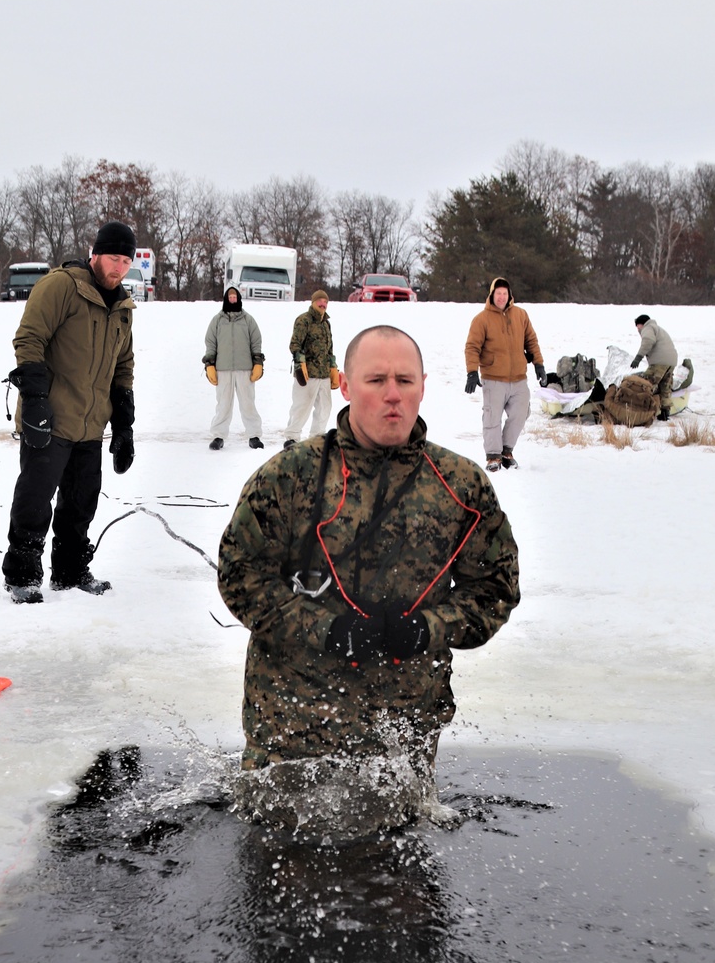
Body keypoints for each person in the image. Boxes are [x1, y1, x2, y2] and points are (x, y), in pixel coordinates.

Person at [218, 324, 520, 794]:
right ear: (345, 386)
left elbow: (496, 591)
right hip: (292, 734)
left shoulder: (460, 486)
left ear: (423, 386)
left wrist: (427, 629)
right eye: (376, 380)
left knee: (398, 862)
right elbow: (241, 577)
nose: (392, 395)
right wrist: (327, 631)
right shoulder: (291, 476)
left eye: (405, 380)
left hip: (403, 740)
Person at [1, 221, 136, 604]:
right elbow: (29, 338)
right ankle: (23, 576)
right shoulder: (61, 286)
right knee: (35, 497)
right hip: (53, 418)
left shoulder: (123, 308)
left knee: (81, 503)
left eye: (126, 261)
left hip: (90, 425)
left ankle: (70, 571)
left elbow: (122, 367)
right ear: (95, 254)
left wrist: (123, 427)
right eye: (113, 258)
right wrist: (37, 401)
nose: (119, 268)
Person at [464, 277, 546, 472]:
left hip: (519, 378)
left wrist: (539, 365)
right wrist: (472, 372)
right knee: (492, 417)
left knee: (521, 413)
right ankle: (493, 456)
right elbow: (472, 347)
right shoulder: (481, 319)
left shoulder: (521, 315)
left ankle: (507, 451)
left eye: (504, 293)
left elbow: (531, 341)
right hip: (493, 378)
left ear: (509, 295)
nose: (501, 297)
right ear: (492, 295)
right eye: (498, 293)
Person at [203, 286, 265, 451]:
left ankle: (254, 435)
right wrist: (210, 365)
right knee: (223, 404)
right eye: (229, 297)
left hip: (245, 368)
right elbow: (210, 343)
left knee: (248, 403)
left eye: (234, 297)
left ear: (238, 298)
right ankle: (218, 436)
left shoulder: (248, 320)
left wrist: (258, 362)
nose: (232, 299)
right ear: (225, 299)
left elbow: (256, 341)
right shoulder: (217, 320)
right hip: (223, 369)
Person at [281, 289, 340, 449]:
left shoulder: (326, 323)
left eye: (326, 302)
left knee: (324, 407)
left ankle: (317, 436)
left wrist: (333, 366)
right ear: (313, 302)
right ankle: (292, 436)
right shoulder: (303, 320)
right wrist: (300, 364)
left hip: (324, 374)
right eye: (320, 301)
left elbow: (329, 349)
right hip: (308, 374)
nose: (323, 304)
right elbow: (295, 345)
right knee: (301, 406)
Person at [630, 314, 678, 421]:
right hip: (671, 362)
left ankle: (641, 411)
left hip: (659, 363)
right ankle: (665, 412)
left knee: (645, 385)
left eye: (637, 327)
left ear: (640, 324)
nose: (638, 329)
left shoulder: (648, 328)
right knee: (665, 387)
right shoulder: (658, 329)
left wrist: (638, 358)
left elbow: (648, 341)